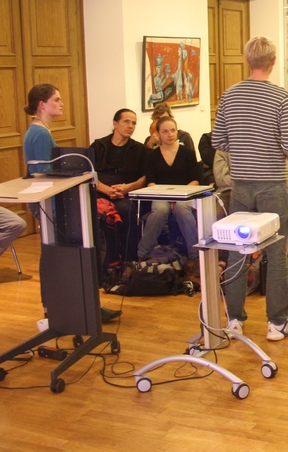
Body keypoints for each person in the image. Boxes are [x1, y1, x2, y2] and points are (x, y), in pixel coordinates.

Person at [212, 36, 288, 341]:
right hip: (274, 186)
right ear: (273, 62)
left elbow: (218, 141)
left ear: (247, 60)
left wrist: (244, 148)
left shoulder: (229, 95)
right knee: (276, 255)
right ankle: (277, 323)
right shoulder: (281, 97)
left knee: (238, 253)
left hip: (241, 186)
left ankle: (234, 320)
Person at [23, 84, 121, 323]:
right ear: (42, 104)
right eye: (56, 99)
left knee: (56, 255)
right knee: (57, 256)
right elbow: (44, 174)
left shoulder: (39, 131)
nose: (62, 103)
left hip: (52, 205)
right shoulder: (40, 133)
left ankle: (78, 306)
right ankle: (67, 308)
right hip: (51, 207)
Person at [136, 116, 203, 266]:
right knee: (159, 211)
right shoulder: (152, 155)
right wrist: (168, 197)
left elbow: (196, 180)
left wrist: (177, 197)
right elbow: (151, 182)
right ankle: (142, 254)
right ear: (157, 134)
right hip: (161, 196)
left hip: (185, 196)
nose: (170, 134)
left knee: (182, 209)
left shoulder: (187, 153)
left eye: (173, 130)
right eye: (165, 131)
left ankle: (197, 257)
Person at [91, 108, 148, 260]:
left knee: (126, 210)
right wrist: (106, 189)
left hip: (126, 194)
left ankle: (128, 259)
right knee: (93, 211)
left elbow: (145, 178)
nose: (131, 126)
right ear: (115, 124)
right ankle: (101, 258)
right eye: (126, 122)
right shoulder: (98, 146)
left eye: (134, 123)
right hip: (101, 191)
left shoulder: (139, 149)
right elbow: (88, 174)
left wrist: (127, 188)